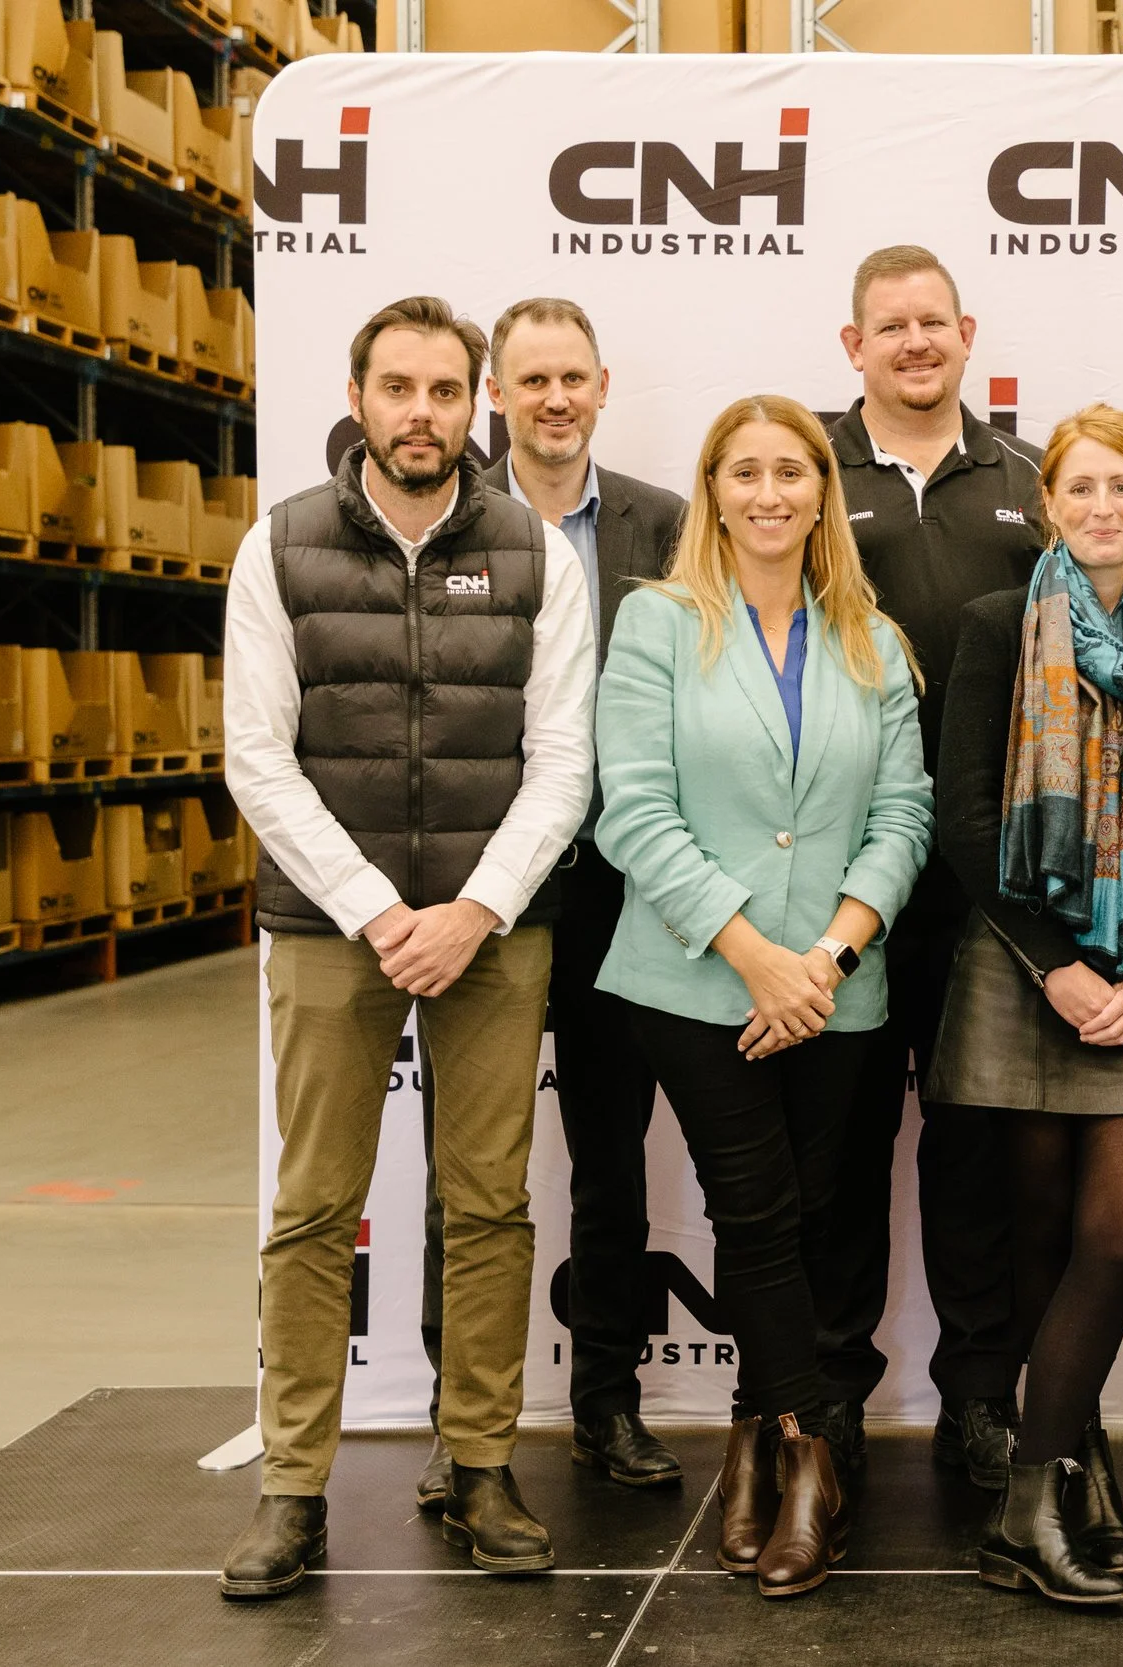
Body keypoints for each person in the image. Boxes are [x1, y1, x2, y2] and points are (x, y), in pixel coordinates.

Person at [218, 296, 594, 1598]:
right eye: (398, 388)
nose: (420, 413)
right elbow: (256, 757)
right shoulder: (278, 547)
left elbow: (564, 761)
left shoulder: (539, 554)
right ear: (359, 397)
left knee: (488, 1203)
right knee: (315, 1206)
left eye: (443, 390)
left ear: (473, 402)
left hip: (495, 929)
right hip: (331, 929)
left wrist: (474, 909)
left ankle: (480, 1464)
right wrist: (379, 911)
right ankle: (292, 1486)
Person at [593, 394, 933, 1599]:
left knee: (822, 1222)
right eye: (745, 471)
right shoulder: (656, 622)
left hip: (838, 986)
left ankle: (748, 1434)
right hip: (697, 983)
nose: (770, 492)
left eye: (793, 470)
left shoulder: (869, 636)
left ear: (823, 492)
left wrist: (826, 957)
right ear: (713, 490)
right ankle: (807, 1458)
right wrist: (755, 955)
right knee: (755, 1211)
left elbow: (903, 813)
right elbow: (634, 807)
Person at [929, 403, 1123, 1605]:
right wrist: (1056, 963)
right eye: (1080, 488)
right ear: (1047, 506)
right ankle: (1077, 1464)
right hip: (1025, 967)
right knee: (1041, 1241)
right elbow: (964, 815)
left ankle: (1025, 1496)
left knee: (1116, 1231)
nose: (1102, 507)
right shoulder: (995, 625)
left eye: (1122, 487)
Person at [410, 298, 690, 1514]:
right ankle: (455, 1424)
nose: (556, 398)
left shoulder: (663, 524)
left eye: (573, 376)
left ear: (603, 385)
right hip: (484, 888)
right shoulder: (449, 518)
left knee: (613, 1159)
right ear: (497, 395)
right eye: (531, 380)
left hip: (622, 888)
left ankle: (607, 1405)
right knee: (466, 1168)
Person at [819, 246, 1044, 1486]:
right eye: (888, 326)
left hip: (984, 881)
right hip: (841, 873)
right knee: (843, 1149)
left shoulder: (1027, 478)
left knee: (974, 1151)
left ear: (966, 332)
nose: (914, 343)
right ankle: (830, 1402)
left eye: (931, 322)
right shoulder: (805, 471)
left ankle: (979, 1398)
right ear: (853, 345)